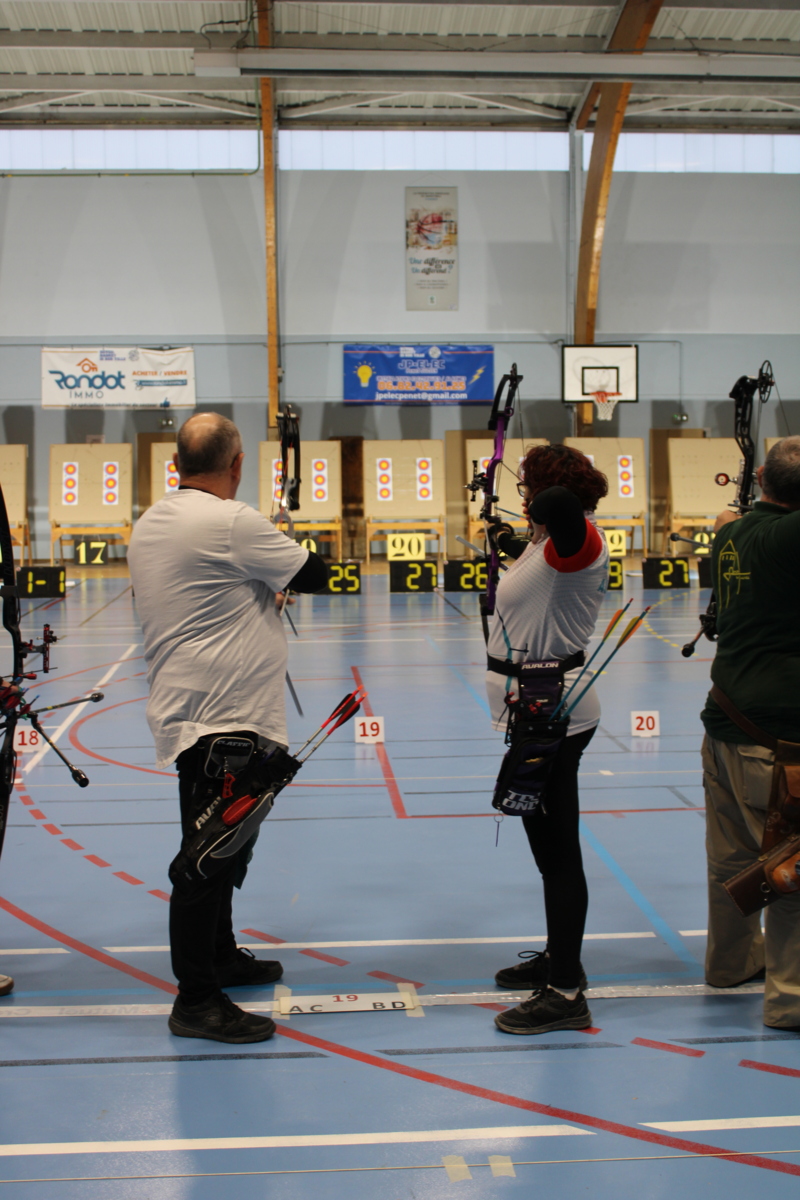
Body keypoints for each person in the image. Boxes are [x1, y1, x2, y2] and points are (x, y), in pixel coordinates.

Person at [128, 413, 327, 1044]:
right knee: (207, 856)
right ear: (237, 465)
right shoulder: (232, 522)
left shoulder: (152, 521)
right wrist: (284, 550)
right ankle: (196, 1000)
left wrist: (264, 584)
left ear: (176, 465)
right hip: (225, 717)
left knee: (224, 843)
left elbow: (212, 595)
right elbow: (317, 575)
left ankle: (219, 956)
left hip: (194, 713)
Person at [485, 445, 610, 1036]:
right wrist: (513, 540)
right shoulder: (548, 545)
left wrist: (540, 496)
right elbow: (541, 572)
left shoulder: (577, 540)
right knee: (548, 853)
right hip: (536, 711)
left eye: (525, 487)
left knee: (558, 856)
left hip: (555, 714)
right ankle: (562, 958)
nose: (522, 496)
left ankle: (565, 992)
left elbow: (561, 507)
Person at [701, 435, 800, 1029]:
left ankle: (731, 963)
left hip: (725, 726)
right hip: (781, 741)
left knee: (731, 858)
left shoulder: (730, 534)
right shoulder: (790, 536)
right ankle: (792, 1000)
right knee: (792, 866)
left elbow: (725, 518)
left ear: (761, 477)